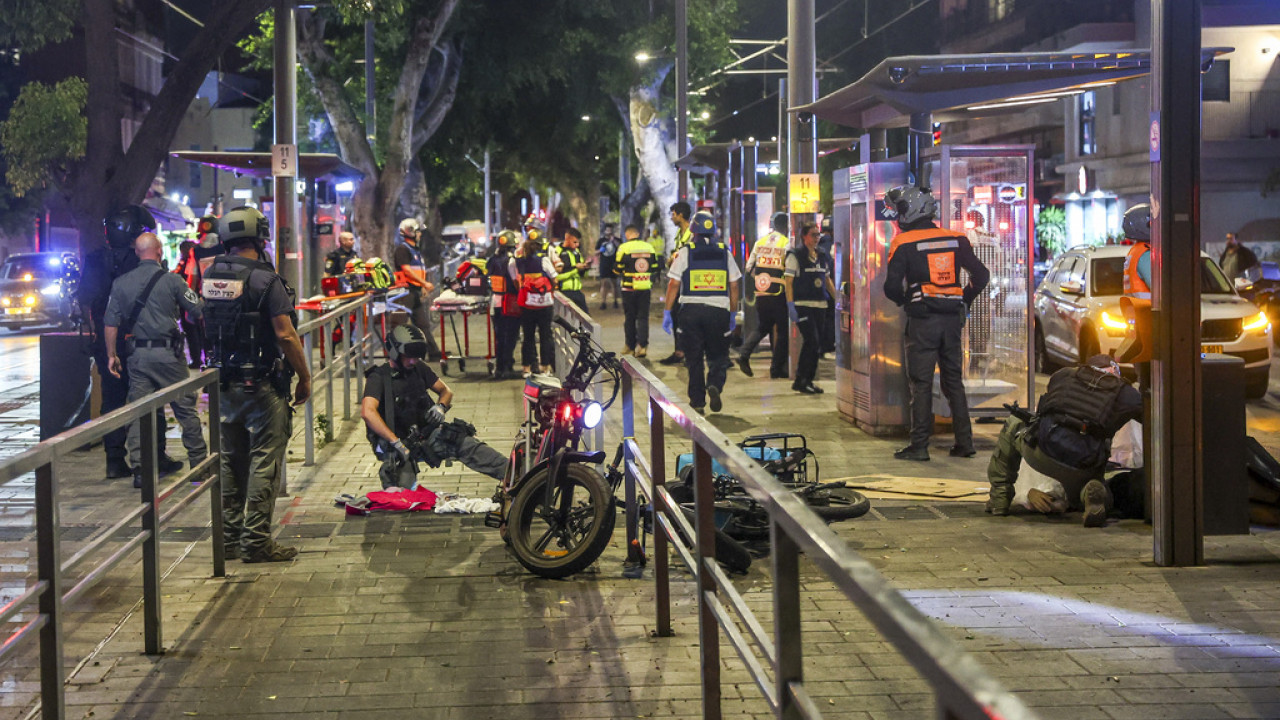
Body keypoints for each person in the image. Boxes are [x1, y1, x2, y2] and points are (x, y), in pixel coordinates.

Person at [203, 206, 312, 563]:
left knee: (229, 463)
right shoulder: (266, 280)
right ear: (260, 237)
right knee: (264, 463)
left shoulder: (209, 275)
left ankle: (229, 540)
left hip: (222, 384)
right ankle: (256, 542)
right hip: (262, 386)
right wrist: (305, 376)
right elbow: (286, 334)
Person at [883, 182, 990, 462]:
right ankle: (965, 444)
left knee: (921, 383)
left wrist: (907, 300)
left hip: (922, 322)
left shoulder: (902, 243)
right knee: (953, 381)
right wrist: (963, 298)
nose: (897, 215)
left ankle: (919, 446)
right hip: (952, 320)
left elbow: (891, 287)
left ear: (913, 209)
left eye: (901, 209)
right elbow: (981, 275)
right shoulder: (957, 239)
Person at [986, 354, 1144, 527]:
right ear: (1115, 373)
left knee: (1015, 422)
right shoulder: (1126, 393)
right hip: (1083, 464)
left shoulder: (1064, 374)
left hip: (1042, 453)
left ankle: (999, 497)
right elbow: (1152, 417)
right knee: (1090, 486)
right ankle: (1090, 493)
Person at [103, 233, 207, 488]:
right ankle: (199, 465)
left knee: (140, 411)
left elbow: (110, 323)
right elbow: (198, 309)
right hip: (169, 356)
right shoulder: (173, 281)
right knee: (185, 410)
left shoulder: (121, 283)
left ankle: (141, 469)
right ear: (159, 251)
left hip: (137, 357)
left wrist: (111, 355)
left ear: (138, 253)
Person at [78, 205, 174, 480]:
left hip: (107, 341)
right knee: (150, 397)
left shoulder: (95, 259)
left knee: (112, 399)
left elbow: (85, 300)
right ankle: (155, 457)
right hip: (139, 340)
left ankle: (114, 460)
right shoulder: (141, 260)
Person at [361, 324, 509, 490]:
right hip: (397, 445)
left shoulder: (419, 368)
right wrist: (395, 442)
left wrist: (441, 407)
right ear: (395, 353)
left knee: (463, 442)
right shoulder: (379, 377)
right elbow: (368, 412)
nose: (413, 360)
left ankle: (515, 476)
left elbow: (446, 391)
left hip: (426, 435)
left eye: (416, 356)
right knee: (401, 496)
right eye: (408, 356)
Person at [663, 210, 741, 413]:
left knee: (694, 359)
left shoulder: (686, 252)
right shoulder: (725, 252)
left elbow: (673, 284)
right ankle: (714, 384)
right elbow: (734, 286)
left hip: (691, 313)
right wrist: (733, 313)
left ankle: (697, 402)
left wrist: (667, 311)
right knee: (718, 356)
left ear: (693, 231)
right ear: (714, 231)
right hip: (718, 312)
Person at [736, 212, 791, 379]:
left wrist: (762, 280)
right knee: (783, 331)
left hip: (762, 292)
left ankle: (744, 354)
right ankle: (776, 369)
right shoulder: (786, 243)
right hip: (779, 293)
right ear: (785, 226)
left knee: (763, 326)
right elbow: (789, 270)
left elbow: (748, 267)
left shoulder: (760, 242)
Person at [785, 222, 837, 394]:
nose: (817, 238)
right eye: (813, 235)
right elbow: (789, 282)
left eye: (818, 235)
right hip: (803, 305)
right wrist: (790, 305)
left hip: (820, 304)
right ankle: (802, 378)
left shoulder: (821, 255)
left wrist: (837, 298)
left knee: (817, 343)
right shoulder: (795, 255)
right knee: (811, 341)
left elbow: (827, 279)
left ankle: (807, 379)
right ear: (804, 237)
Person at [393, 218, 442, 361]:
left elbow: (418, 270)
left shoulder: (415, 250)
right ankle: (396, 355)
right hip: (405, 293)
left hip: (414, 291)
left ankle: (434, 353)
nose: (420, 234)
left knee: (423, 324)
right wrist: (424, 283)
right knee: (399, 324)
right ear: (410, 232)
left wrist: (421, 287)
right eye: (418, 231)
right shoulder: (402, 249)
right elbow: (407, 271)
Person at [512, 236, 558, 375]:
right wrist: (552, 290)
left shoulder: (518, 262)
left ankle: (527, 368)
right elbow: (554, 277)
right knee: (545, 336)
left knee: (528, 337)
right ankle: (545, 367)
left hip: (527, 305)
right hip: (545, 304)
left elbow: (516, 281)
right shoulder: (543, 259)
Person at [659, 202, 695, 366]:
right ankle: (680, 351)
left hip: (690, 282)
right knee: (676, 316)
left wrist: (675, 258)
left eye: (673, 214)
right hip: (679, 280)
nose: (672, 217)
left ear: (680, 215)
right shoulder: (679, 235)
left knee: (688, 318)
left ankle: (690, 352)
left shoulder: (692, 234)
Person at [487, 230, 522, 379]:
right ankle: (508, 365)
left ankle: (500, 367)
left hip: (496, 301)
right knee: (511, 335)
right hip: (510, 302)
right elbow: (516, 281)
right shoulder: (512, 261)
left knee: (499, 336)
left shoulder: (492, 260)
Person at [615, 225, 654, 357]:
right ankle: (642, 347)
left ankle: (630, 346)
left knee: (630, 317)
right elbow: (654, 266)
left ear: (627, 234)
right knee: (643, 317)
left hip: (628, 287)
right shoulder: (649, 247)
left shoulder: (624, 248)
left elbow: (617, 268)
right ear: (638, 233)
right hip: (645, 287)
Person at [174, 240, 206, 368]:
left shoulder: (188, 262)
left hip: (189, 300)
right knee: (198, 332)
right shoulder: (193, 260)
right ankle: (200, 358)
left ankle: (197, 359)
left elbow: (190, 282)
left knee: (192, 332)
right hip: (197, 299)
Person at [554, 227, 590, 312]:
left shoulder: (576, 252)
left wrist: (585, 268)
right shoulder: (556, 252)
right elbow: (556, 276)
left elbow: (583, 275)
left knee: (585, 320)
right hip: (563, 292)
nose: (577, 245)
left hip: (577, 291)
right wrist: (576, 269)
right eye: (575, 242)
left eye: (578, 242)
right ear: (567, 238)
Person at [817, 215, 837, 355]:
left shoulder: (815, 245)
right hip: (829, 288)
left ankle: (820, 347)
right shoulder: (834, 246)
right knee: (830, 317)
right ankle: (827, 345)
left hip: (815, 290)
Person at [597, 224, 620, 310]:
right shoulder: (601, 241)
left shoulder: (617, 240)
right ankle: (603, 302)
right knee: (604, 283)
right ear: (605, 231)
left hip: (613, 264)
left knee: (614, 283)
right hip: (604, 264)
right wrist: (600, 250)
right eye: (607, 230)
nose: (609, 232)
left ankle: (615, 301)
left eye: (610, 230)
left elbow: (620, 248)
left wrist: (613, 241)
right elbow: (596, 252)